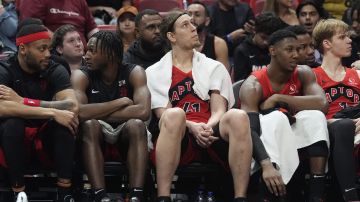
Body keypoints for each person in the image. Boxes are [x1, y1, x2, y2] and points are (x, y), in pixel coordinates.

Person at [146, 11, 252, 202]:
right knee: (174, 114)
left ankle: (240, 198)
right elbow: (162, 113)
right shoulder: (154, 72)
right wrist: (192, 127)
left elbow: (219, 109)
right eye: (185, 25)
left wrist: (207, 128)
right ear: (171, 36)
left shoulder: (213, 67)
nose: (194, 28)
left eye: (193, 24)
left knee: (238, 116)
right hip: (179, 136)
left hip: (210, 134)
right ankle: (163, 197)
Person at [239, 30, 329, 202]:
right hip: (262, 143)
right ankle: (272, 190)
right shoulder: (253, 85)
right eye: (289, 50)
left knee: (315, 117)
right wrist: (266, 164)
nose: (296, 55)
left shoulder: (303, 72)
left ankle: (317, 193)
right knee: (276, 118)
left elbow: (322, 104)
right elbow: (249, 130)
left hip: (293, 136)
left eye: (298, 49)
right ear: (273, 51)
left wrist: (278, 98)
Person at [0, 24, 79, 202]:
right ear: (22, 49)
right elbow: (1, 108)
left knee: (66, 122)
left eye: (48, 48)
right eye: (41, 49)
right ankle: (18, 192)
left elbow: (71, 106)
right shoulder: (4, 69)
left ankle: (64, 192)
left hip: (45, 137)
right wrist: (51, 112)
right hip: (13, 138)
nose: (48, 54)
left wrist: (22, 101)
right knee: (13, 124)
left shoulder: (54, 68)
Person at [71, 31, 150, 202]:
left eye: (92, 51)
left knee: (136, 125)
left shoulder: (135, 72)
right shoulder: (81, 75)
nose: (86, 55)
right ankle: (100, 195)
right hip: (95, 132)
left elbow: (143, 111)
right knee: (90, 125)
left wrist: (97, 110)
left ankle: (137, 195)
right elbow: (79, 112)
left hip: (126, 132)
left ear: (110, 53)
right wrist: (120, 102)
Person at [312, 19, 360, 202]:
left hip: (357, 129)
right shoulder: (312, 75)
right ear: (327, 43)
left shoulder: (357, 74)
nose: (349, 41)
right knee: (344, 126)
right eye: (342, 37)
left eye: (349, 36)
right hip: (327, 131)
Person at [18, 0, 99, 48]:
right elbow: (31, 25)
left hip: (83, 54)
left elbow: (92, 29)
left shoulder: (79, 1)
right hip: (55, 53)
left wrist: (100, 44)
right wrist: (60, 42)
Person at [233, 12, 286, 81]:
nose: (266, 42)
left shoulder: (276, 48)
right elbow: (240, 82)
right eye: (263, 37)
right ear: (254, 31)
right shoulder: (242, 51)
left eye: (270, 39)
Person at [187, 1, 230, 70]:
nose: (192, 18)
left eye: (197, 15)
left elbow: (223, 76)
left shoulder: (218, 44)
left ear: (207, 21)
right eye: (189, 15)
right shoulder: (178, 43)